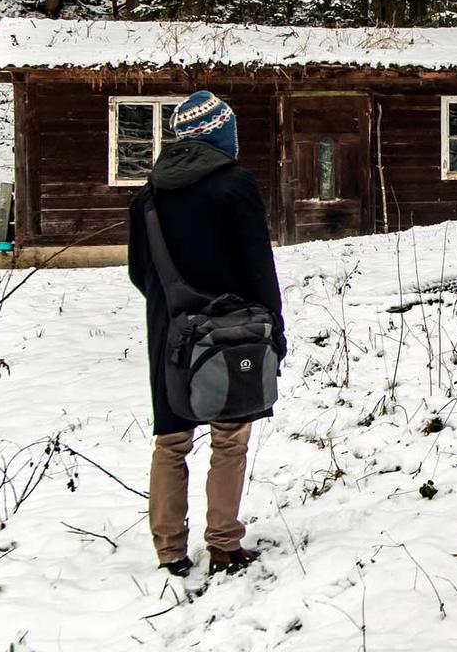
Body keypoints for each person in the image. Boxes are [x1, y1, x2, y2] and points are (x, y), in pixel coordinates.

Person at [127, 90, 285, 579]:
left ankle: (170, 550)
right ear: (221, 136)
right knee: (229, 438)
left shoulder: (148, 195)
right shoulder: (235, 184)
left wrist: (173, 310)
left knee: (171, 442)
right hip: (232, 331)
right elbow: (258, 264)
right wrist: (273, 329)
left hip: (169, 332)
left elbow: (138, 272)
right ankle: (223, 545)